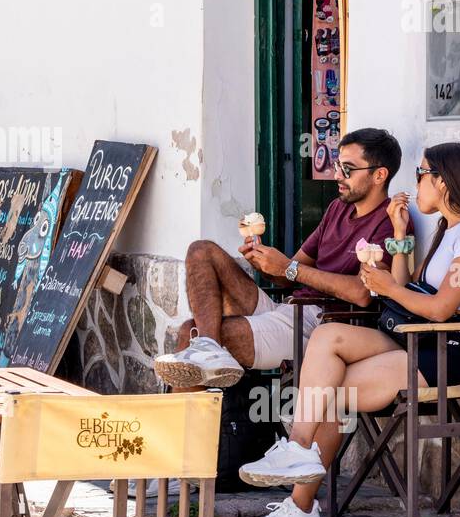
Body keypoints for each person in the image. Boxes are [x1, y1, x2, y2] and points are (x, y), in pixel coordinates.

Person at [237, 141, 460, 517]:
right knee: (328, 337)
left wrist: (386, 289)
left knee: (327, 394)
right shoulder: (447, 229)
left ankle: (301, 510)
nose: (415, 184)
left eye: (421, 174)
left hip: (449, 351)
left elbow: (439, 308)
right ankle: (297, 451)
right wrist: (399, 236)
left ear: (443, 181)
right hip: (416, 339)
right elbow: (404, 286)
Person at [154, 128, 409, 389]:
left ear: (379, 175)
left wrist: (289, 268)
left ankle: (206, 358)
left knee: (190, 333)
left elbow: (362, 293)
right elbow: (287, 277)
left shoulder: (389, 223)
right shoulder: (337, 209)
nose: (337, 175)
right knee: (201, 250)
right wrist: (264, 261)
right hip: (287, 309)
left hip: (324, 325)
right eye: (336, 166)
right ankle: (209, 349)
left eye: (348, 169)